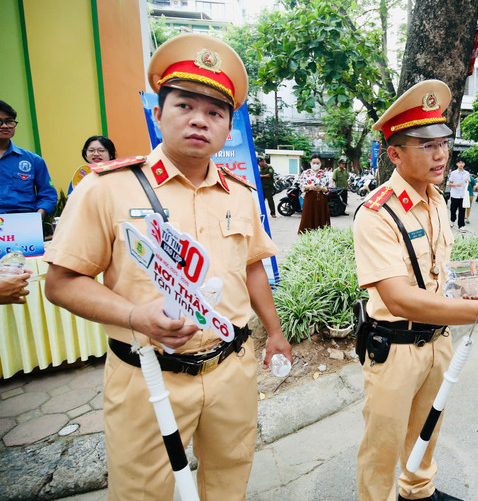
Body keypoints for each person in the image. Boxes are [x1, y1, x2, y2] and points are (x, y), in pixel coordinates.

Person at [42, 34, 292, 501]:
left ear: (227, 127)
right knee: (142, 490)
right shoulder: (107, 189)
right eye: (184, 106)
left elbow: (254, 265)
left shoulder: (239, 192)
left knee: (229, 478)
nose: (200, 120)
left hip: (231, 368)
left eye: (215, 112)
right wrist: (136, 317)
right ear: (157, 114)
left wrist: (274, 333)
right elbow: (61, 282)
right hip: (147, 375)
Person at [353, 79, 478, 501]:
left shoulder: (438, 199)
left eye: (443, 142)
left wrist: (469, 288)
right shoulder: (377, 213)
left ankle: (419, 491)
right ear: (394, 154)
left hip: (438, 339)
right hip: (395, 346)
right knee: (383, 447)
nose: (441, 153)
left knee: (427, 427)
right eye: (426, 145)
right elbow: (398, 297)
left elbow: (438, 273)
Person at [0, 100, 57, 219]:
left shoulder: (33, 160)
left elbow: (48, 195)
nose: (5, 126)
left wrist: (37, 217)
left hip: (24, 221)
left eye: (9, 121)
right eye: (0, 122)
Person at [298, 154, 331, 233]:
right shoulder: (305, 173)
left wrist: (322, 188)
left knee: (322, 217)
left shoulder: (324, 174)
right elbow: (301, 186)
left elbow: (328, 189)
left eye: (317, 163)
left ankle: (322, 235)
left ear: (320, 163)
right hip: (309, 198)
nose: (315, 165)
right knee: (308, 217)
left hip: (321, 199)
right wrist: (309, 186)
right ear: (310, 163)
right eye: (314, 163)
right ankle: (306, 235)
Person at [447, 157, 470, 230]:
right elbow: (450, 183)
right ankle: (452, 220)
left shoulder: (467, 173)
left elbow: (468, 184)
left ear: (464, 164)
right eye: (459, 163)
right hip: (454, 195)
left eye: (462, 163)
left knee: (462, 211)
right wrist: (456, 185)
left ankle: (461, 225)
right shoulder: (453, 173)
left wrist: (467, 182)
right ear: (457, 164)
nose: (461, 164)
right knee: (453, 210)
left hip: (462, 195)